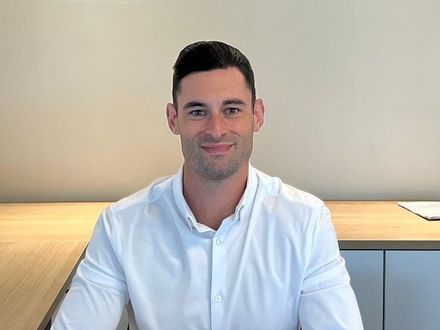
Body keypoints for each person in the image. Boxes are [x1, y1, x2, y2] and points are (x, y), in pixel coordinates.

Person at [53, 41, 363, 329]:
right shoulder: (121, 226)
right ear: (173, 119)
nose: (216, 129)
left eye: (232, 110)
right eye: (198, 112)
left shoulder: (305, 221)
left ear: (257, 116)